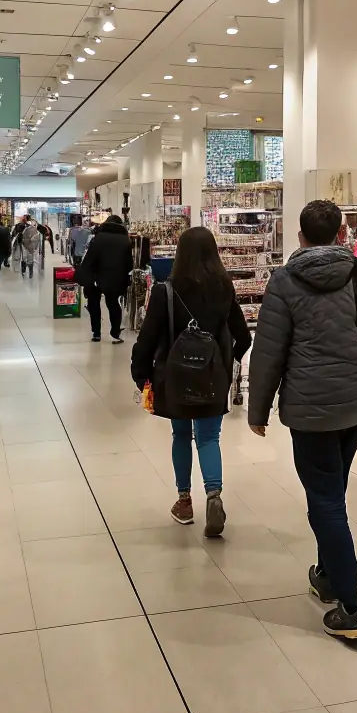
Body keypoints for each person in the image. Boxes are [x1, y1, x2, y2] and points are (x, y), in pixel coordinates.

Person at [249, 199, 357, 640]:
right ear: (343, 234)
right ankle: (327, 575)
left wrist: (258, 408)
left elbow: (269, 351)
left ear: (300, 237)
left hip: (307, 408)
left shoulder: (283, 282)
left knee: (325, 500)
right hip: (355, 404)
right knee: (332, 492)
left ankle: (352, 606)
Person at [130, 227, 252, 535]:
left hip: (176, 378)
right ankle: (214, 494)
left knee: (181, 435)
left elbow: (148, 338)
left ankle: (184, 501)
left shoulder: (165, 291)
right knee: (209, 438)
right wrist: (227, 364)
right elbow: (243, 336)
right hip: (213, 379)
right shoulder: (225, 289)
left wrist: (141, 374)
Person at [76, 214, 132, 343]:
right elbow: (129, 264)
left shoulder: (98, 238)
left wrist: (86, 275)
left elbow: (90, 258)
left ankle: (96, 333)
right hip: (115, 277)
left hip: (96, 276)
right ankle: (115, 333)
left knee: (94, 303)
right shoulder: (125, 240)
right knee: (113, 304)